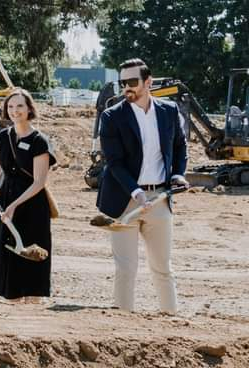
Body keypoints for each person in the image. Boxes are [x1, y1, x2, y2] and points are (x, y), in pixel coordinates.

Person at [97, 58, 189, 315]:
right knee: (126, 267)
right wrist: (136, 192)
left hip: (160, 197)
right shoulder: (112, 116)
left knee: (162, 266)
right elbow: (114, 162)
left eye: (132, 81)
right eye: (122, 82)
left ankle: (171, 322)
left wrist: (179, 175)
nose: (127, 87)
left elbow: (180, 146)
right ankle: (124, 326)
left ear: (148, 82)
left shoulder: (169, 111)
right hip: (124, 199)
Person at [0, 88, 57, 303]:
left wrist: (14, 206)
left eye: (20, 106)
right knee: (7, 258)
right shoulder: (4, 136)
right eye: (10, 107)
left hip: (31, 204)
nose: (15, 111)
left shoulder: (39, 140)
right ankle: (12, 310)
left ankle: (32, 308)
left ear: (29, 108)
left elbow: (40, 182)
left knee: (30, 260)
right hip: (6, 201)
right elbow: (0, 165)